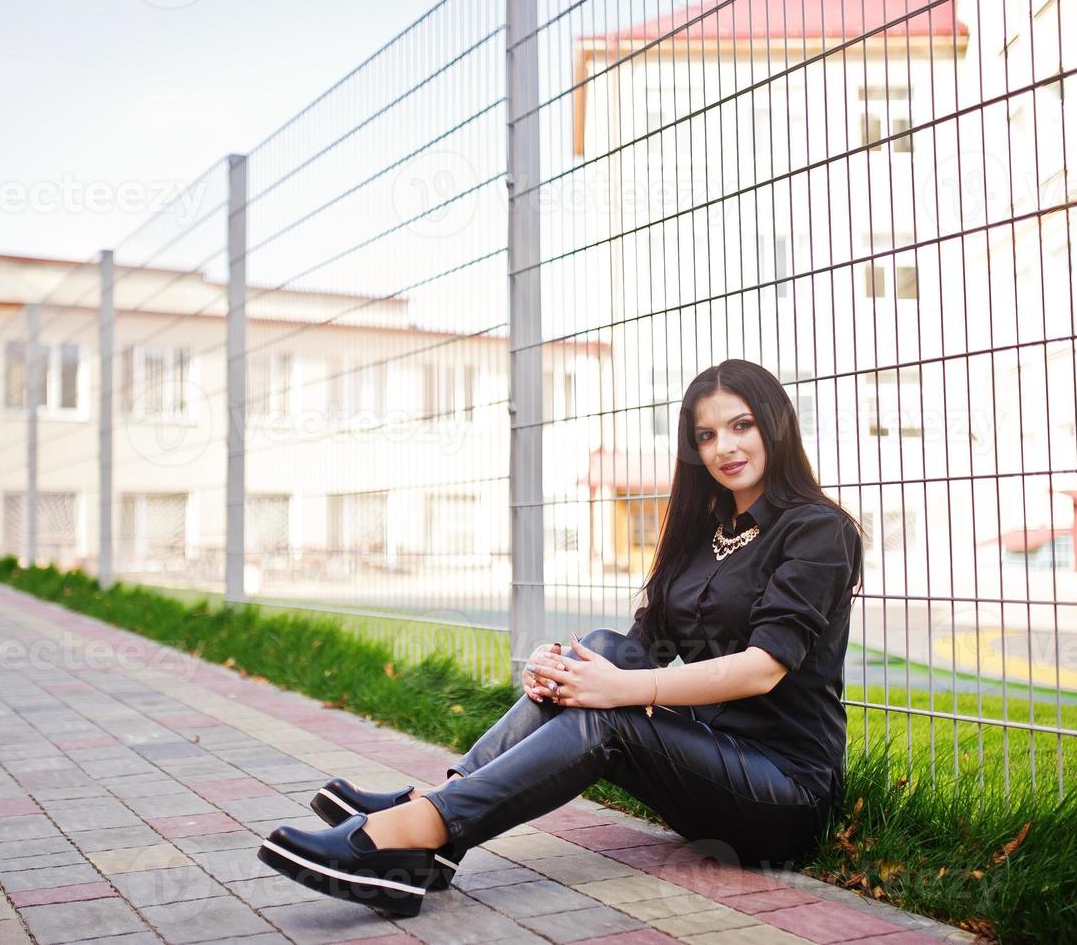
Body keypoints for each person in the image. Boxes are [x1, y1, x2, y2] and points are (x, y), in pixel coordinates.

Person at [258, 359, 866, 917]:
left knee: (610, 711)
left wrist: (621, 689)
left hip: (782, 795)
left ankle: (415, 832)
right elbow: (641, 644)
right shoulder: (703, 534)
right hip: (705, 765)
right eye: (706, 435)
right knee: (598, 650)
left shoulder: (817, 530)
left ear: (776, 427)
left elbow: (763, 668)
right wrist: (562, 677)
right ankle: (434, 817)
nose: (725, 447)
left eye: (742, 425)